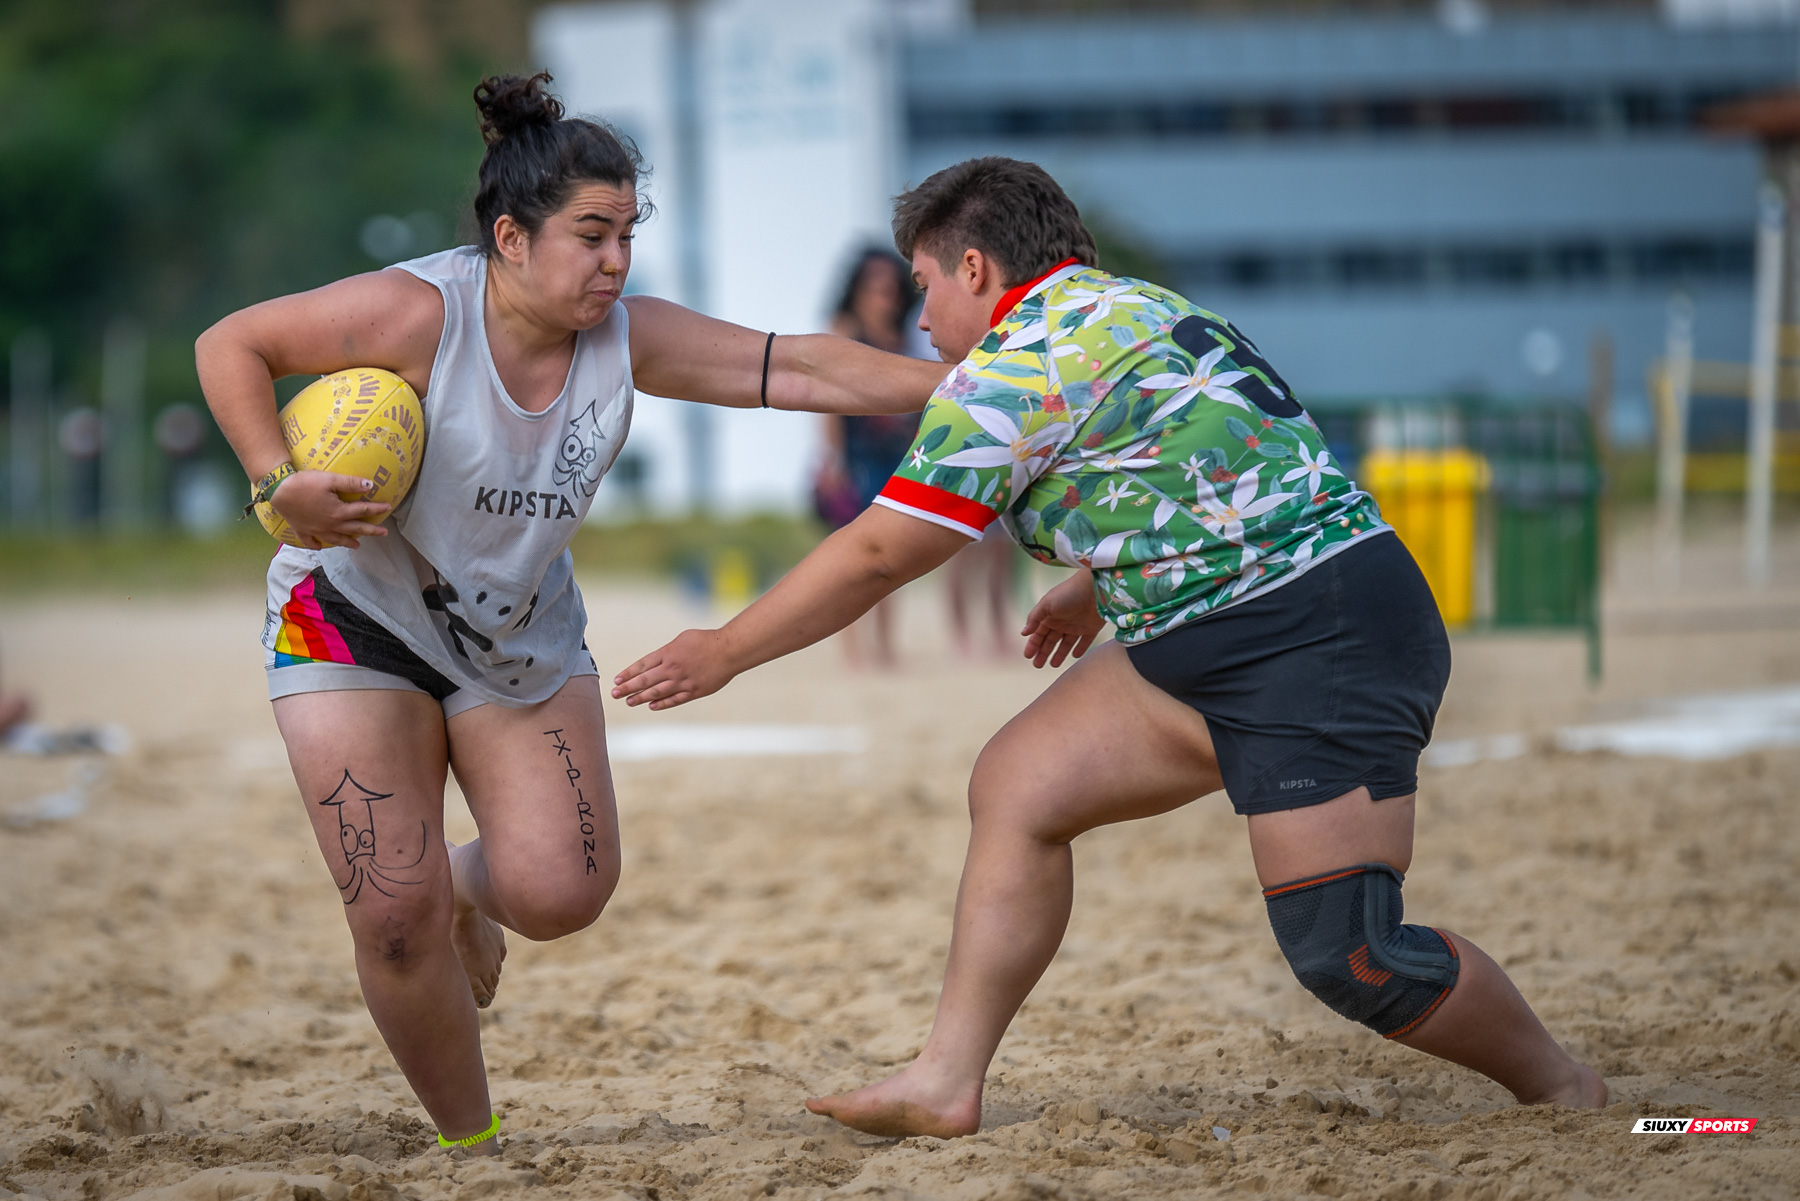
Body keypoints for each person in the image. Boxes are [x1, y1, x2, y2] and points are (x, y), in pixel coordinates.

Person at [613, 156, 1607, 1138]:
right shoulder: (1138, 307)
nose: (923, 320)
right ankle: (946, 1079)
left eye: (924, 286)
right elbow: (1206, 449)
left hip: (1316, 634)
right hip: (1222, 632)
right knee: (1019, 785)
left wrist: (726, 648)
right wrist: (1097, 577)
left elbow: (878, 553)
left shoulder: (1013, 365)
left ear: (973, 270)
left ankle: (1569, 1092)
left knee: (1352, 955)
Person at [195, 73, 946, 1154]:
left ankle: (458, 884)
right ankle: (471, 1140)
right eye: (592, 235)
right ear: (510, 237)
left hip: (516, 634)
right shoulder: (419, 312)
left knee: (561, 891)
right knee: (388, 917)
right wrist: (276, 481)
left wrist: (975, 385)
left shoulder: (624, 339)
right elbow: (234, 343)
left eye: (628, 235)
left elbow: (806, 369)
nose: (616, 262)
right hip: (347, 614)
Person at [817, 249, 921, 668]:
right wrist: (833, 459)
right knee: (850, 557)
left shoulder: (903, 334)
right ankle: (853, 649)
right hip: (856, 457)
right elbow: (826, 401)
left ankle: (884, 646)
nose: (886, 293)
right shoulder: (845, 330)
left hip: (894, 454)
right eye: (876, 285)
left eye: (891, 285)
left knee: (890, 556)